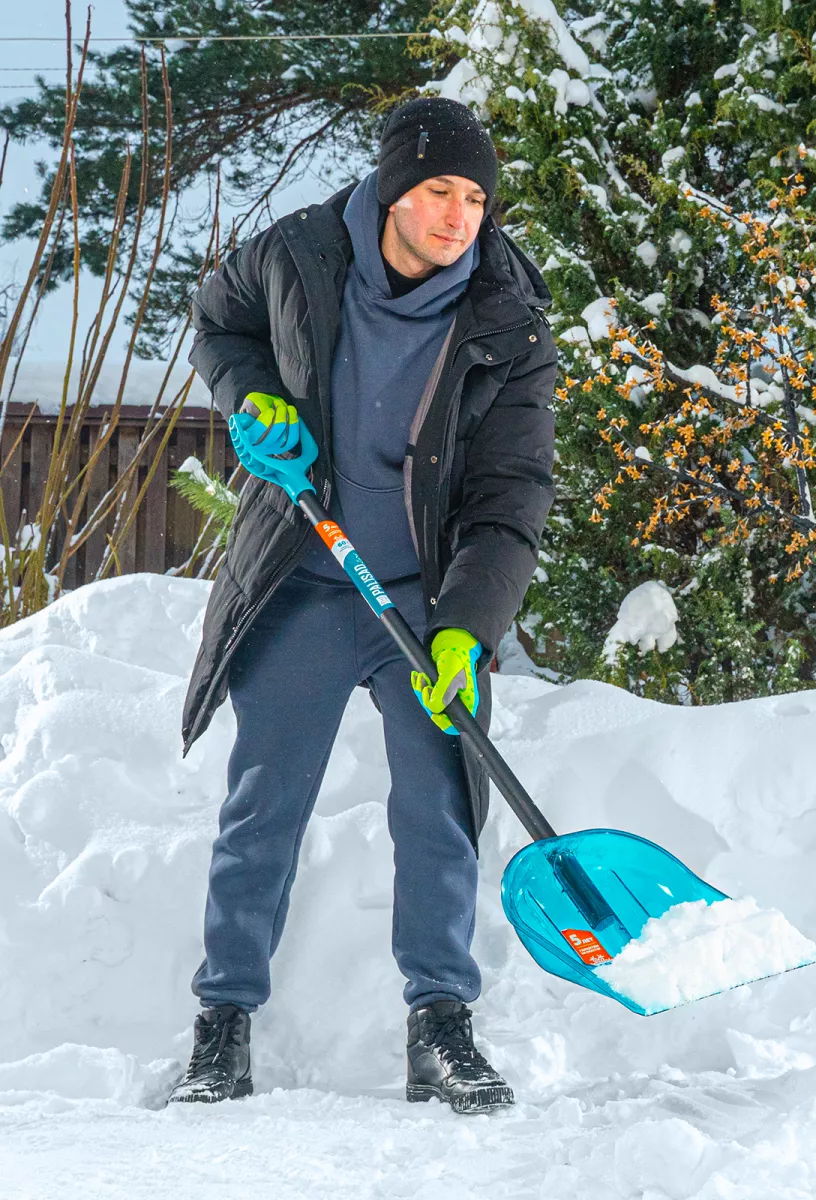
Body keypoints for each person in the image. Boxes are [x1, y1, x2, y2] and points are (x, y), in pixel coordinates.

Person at [168, 97, 556, 1114]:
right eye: (439, 190)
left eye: (476, 197)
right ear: (393, 188)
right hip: (302, 573)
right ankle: (223, 1024)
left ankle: (442, 1026)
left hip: (424, 600)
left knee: (439, 812)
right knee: (264, 806)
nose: (459, 215)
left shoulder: (509, 315)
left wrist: (468, 631)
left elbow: (512, 495)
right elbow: (217, 316)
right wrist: (253, 400)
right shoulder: (299, 254)